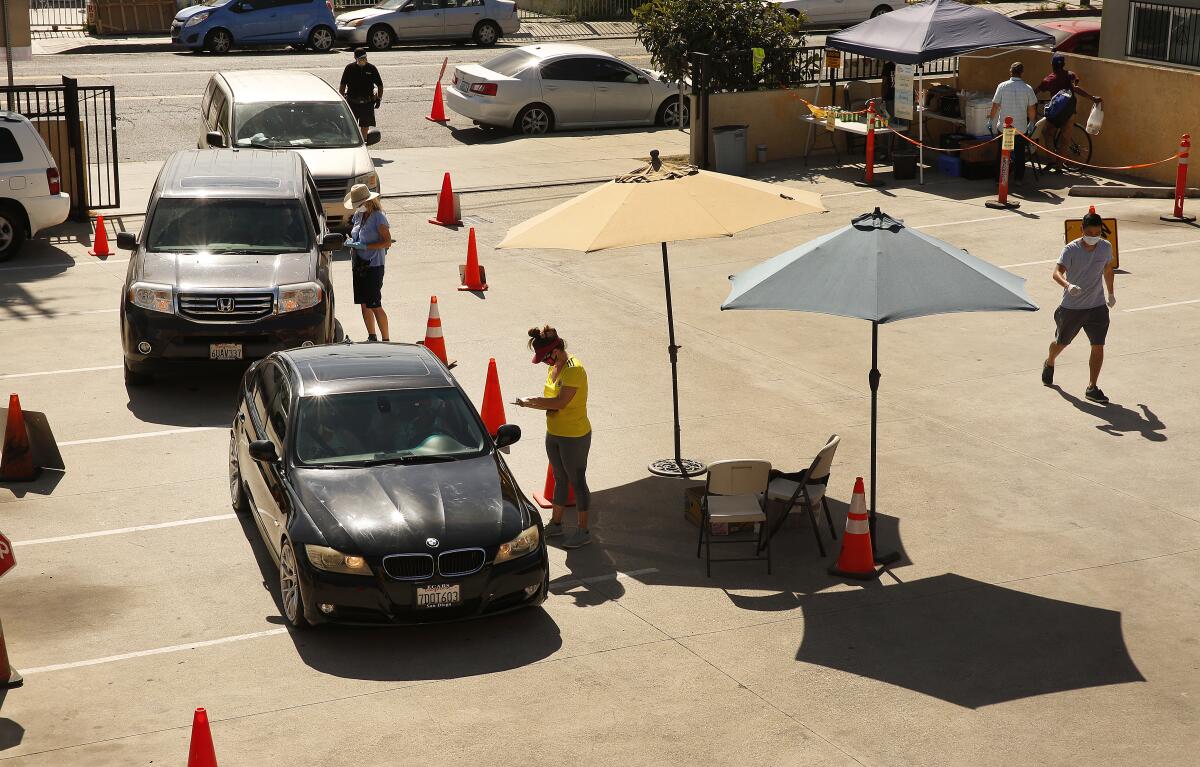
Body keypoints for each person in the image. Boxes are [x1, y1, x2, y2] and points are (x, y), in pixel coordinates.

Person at [515, 326, 593, 549]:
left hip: (574, 435)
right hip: (555, 432)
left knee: (577, 481)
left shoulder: (574, 370)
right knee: (560, 478)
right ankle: (556, 524)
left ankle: (583, 530)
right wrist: (535, 402)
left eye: (545, 358)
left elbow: (560, 402)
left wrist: (533, 401)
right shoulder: (554, 368)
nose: (543, 362)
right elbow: (552, 404)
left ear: (556, 351)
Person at [1042, 211, 1116, 404]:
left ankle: (1092, 387)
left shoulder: (1105, 247)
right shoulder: (1071, 249)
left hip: (1097, 306)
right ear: (1082, 230)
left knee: (1098, 346)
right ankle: (1050, 361)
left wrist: (1111, 293)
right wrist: (1068, 285)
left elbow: (1108, 270)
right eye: (1090, 232)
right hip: (1072, 307)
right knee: (1061, 343)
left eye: (1097, 232)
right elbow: (1057, 272)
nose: (1094, 237)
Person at [343, 183, 392, 342]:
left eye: (359, 204)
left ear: (367, 202)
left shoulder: (378, 217)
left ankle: (386, 339)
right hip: (359, 264)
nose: (357, 207)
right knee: (364, 303)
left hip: (374, 265)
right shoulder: (358, 215)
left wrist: (365, 246)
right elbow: (357, 235)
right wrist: (352, 242)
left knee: (374, 304)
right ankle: (372, 336)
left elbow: (387, 242)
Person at [1036, 54, 1102, 168]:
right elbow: (1075, 88)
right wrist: (1092, 98)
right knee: (1065, 140)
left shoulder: (1049, 79)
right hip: (1069, 112)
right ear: (1064, 64)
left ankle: (1052, 160)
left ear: (1052, 65)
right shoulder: (1070, 75)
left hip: (1055, 114)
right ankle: (1059, 165)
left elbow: (1037, 90)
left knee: (1047, 134)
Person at [987, 62, 1038, 185]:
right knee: (1020, 153)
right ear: (1022, 73)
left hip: (1004, 127)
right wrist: (1031, 122)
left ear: (1010, 71)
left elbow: (995, 105)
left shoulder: (1002, 86)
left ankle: (1000, 178)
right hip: (1020, 128)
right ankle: (1018, 179)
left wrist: (990, 120)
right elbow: (1031, 109)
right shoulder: (1028, 88)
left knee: (1002, 153)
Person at [339, 47, 383, 141]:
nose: (362, 60)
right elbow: (343, 85)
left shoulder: (371, 68)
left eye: (364, 57)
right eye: (360, 58)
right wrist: (341, 100)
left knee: (365, 126)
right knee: (350, 127)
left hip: (367, 103)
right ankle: (351, 143)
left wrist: (379, 98)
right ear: (355, 57)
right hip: (352, 102)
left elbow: (380, 85)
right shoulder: (350, 68)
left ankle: (363, 142)